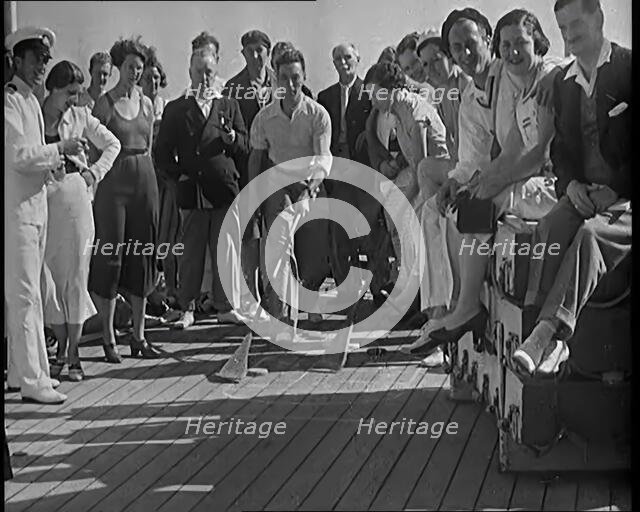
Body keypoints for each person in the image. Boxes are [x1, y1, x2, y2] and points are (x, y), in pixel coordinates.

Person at [413, 8, 562, 357]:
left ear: (485, 39)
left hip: (550, 183)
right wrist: (462, 182)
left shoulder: (521, 74)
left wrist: (488, 184)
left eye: (471, 44)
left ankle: (463, 309)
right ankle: (449, 311)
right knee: (444, 210)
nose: (465, 55)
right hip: (520, 177)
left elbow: (553, 66)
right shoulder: (475, 97)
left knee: (477, 207)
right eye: (457, 48)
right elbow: (482, 156)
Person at [513, 0, 631, 376]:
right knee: (549, 228)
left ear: (598, 18)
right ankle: (544, 334)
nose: (569, 35)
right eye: (562, 28)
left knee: (590, 236)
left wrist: (618, 189)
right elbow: (561, 151)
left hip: (627, 199)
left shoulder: (629, 67)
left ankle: (547, 335)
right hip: (587, 194)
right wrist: (571, 186)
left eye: (576, 23)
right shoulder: (565, 83)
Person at [5, 26, 80, 404]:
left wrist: (55, 165)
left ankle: (23, 373)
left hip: (34, 211)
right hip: (16, 214)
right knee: (24, 296)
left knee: (32, 292)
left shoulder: (31, 103)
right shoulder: (10, 102)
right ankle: (33, 379)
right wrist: (58, 149)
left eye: (44, 61)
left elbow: (31, 157)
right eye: (35, 59)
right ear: (17, 60)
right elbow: (18, 157)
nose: (40, 67)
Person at [155, 31, 249, 330]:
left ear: (216, 71)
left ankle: (224, 306)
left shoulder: (229, 104)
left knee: (225, 251)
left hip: (223, 188)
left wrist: (234, 138)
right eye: (199, 72)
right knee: (191, 254)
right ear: (190, 72)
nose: (205, 78)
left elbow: (245, 146)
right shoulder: (176, 108)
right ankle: (187, 308)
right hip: (192, 191)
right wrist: (177, 176)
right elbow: (161, 153)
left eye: (209, 72)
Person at [41, 60, 121, 382]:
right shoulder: (33, 114)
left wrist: (92, 174)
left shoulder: (81, 116)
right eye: (70, 93)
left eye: (77, 93)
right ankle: (59, 347)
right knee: (48, 278)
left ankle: (72, 355)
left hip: (75, 198)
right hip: (41, 200)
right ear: (53, 89)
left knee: (75, 276)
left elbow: (113, 145)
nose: (74, 100)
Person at [249, 48, 332, 339]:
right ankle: (281, 314)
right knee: (279, 242)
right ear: (276, 81)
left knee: (313, 248)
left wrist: (310, 189)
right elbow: (256, 160)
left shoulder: (318, 115)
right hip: (277, 184)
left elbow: (323, 159)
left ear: (304, 77)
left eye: (296, 77)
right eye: (284, 78)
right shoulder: (264, 118)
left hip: (310, 183)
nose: (290, 84)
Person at [89, 36, 161, 361]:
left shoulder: (147, 102)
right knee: (111, 255)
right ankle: (108, 337)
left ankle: (139, 336)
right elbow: (93, 148)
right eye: (131, 66)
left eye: (140, 67)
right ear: (119, 67)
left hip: (144, 180)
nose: (135, 72)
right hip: (113, 184)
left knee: (142, 255)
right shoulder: (104, 103)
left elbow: (150, 146)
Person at [363, 61, 450, 326]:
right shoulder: (398, 113)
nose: (372, 100)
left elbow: (423, 164)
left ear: (389, 89)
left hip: (439, 180)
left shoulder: (413, 110)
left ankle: (425, 303)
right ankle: (413, 298)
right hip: (422, 177)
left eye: (374, 93)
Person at [224, 30, 273, 320]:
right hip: (246, 172)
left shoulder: (282, 83)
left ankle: (277, 300)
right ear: (243, 54)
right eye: (250, 51)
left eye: (261, 50)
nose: (256, 56)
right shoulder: (233, 87)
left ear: (269, 52)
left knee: (279, 235)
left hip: (279, 170)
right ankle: (252, 300)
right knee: (250, 237)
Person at [317, 43, 373, 292]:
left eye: (347, 57)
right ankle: (344, 287)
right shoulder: (325, 97)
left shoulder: (369, 93)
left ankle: (377, 287)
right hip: (337, 174)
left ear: (358, 58)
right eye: (337, 58)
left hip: (364, 172)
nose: (342, 62)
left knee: (369, 232)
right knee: (339, 232)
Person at [141, 46, 179, 305]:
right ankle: (148, 292)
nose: (152, 82)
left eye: (156, 78)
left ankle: (170, 290)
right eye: (147, 78)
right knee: (146, 237)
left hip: (165, 180)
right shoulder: (135, 106)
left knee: (167, 237)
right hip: (144, 179)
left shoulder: (167, 107)